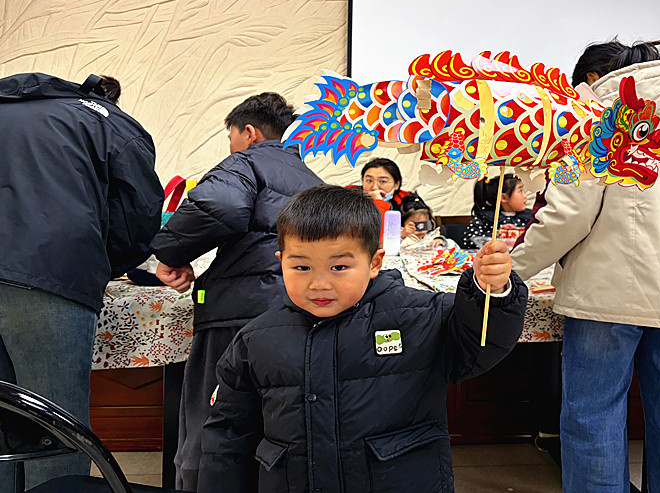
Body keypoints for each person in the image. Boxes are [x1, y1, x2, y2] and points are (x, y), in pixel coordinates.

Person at [511, 39, 660, 492]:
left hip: (607, 295)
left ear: (595, 80)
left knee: (593, 420)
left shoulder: (597, 121)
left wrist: (511, 269)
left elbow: (567, 216)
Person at [196, 185, 527, 493]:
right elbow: (228, 436)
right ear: (281, 263)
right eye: (301, 268)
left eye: (339, 267)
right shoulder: (256, 339)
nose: (319, 284)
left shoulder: (418, 316)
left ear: (375, 262)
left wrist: (491, 293)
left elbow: (478, 344)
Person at [150, 92, 322, 491]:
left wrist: (170, 252)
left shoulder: (246, 161)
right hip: (298, 311)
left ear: (248, 132)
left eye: (230, 136)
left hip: (237, 313)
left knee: (212, 421)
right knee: (277, 422)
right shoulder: (311, 179)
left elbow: (221, 205)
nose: (230, 146)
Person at [0, 72, 163, 491]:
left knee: (2, 419)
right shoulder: (106, 120)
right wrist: (108, 266)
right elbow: (138, 212)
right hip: (49, 272)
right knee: (57, 423)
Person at [463, 174, 531, 249]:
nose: (524, 196)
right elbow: (469, 240)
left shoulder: (530, 217)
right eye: (520, 191)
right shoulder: (485, 218)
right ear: (503, 197)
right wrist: (496, 235)